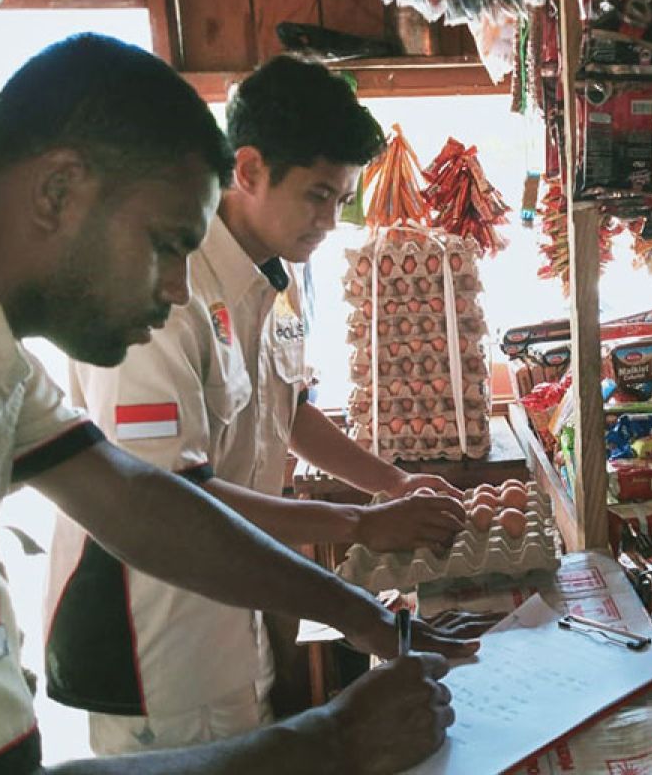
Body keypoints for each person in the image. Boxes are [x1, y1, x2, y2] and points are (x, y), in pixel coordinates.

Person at [0, 34, 475, 775]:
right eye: (164, 244)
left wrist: (365, 617)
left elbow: (135, 498)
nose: (180, 289)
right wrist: (331, 742)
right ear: (58, 191)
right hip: (158, 653)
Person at [44, 54, 471, 753]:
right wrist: (360, 527)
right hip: (158, 634)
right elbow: (168, 497)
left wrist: (390, 483)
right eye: (316, 196)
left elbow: (286, 411)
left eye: (341, 200)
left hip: (236, 597)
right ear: (246, 171)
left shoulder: (275, 274)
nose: (330, 221)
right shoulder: (163, 295)